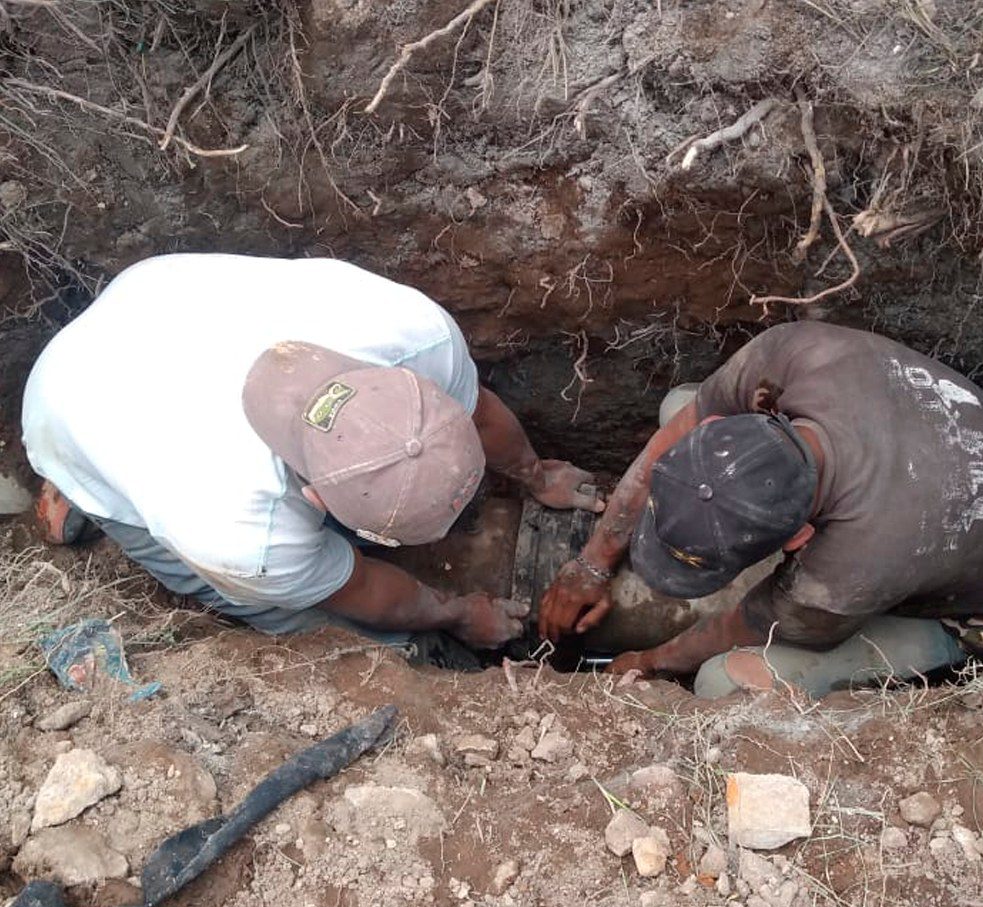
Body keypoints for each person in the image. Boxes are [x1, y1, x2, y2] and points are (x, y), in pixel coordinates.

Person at [22, 253, 602, 652]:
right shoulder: (241, 535)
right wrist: (455, 615)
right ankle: (85, 487)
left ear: (419, 389)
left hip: (154, 297)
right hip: (68, 405)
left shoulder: (412, 334)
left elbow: (477, 410)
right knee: (324, 627)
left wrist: (536, 473)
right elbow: (361, 592)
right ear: (316, 499)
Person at [539, 321, 983, 700]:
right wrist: (591, 563)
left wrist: (647, 662)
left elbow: (745, 624)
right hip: (925, 453)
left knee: (724, 678)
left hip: (977, 609)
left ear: (798, 539)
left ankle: (942, 652)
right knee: (679, 403)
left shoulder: (848, 569)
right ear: (717, 429)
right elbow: (677, 435)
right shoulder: (792, 356)